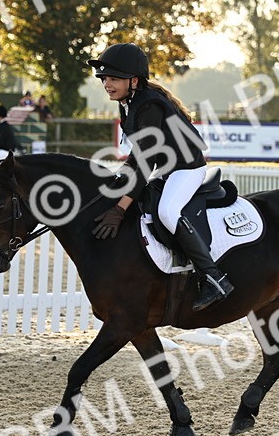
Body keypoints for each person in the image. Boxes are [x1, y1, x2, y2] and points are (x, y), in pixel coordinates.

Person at [87, 43, 233, 311]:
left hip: (188, 168)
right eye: (104, 78)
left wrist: (119, 210)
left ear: (133, 80)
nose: (107, 84)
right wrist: (118, 180)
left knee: (167, 210)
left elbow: (145, 163)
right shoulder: (128, 102)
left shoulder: (149, 105)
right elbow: (139, 155)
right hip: (167, 168)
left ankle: (214, 277)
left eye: (114, 79)